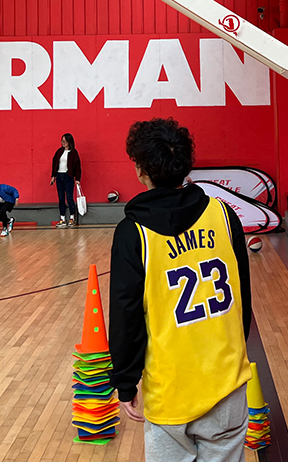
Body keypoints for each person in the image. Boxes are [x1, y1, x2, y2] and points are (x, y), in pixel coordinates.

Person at [109, 118, 252, 462]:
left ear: (141, 170)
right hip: (227, 383)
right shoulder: (223, 215)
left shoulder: (133, 233)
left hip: (171, 390)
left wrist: (125, 381)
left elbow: (126, 314)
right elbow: (242, 297)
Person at [50, 133, 81, 228]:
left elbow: (77, 166)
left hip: (68, 176)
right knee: (61, 198)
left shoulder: (74, 153)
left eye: (65, 141)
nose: (63, 143)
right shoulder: (59, 152)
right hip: (59, 176)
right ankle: (62, 218)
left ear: (69, 142)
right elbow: (55, 163)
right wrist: (53, 176)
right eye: (62, 141)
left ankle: (72, 218)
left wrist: (77, 179)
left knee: (69, 197)